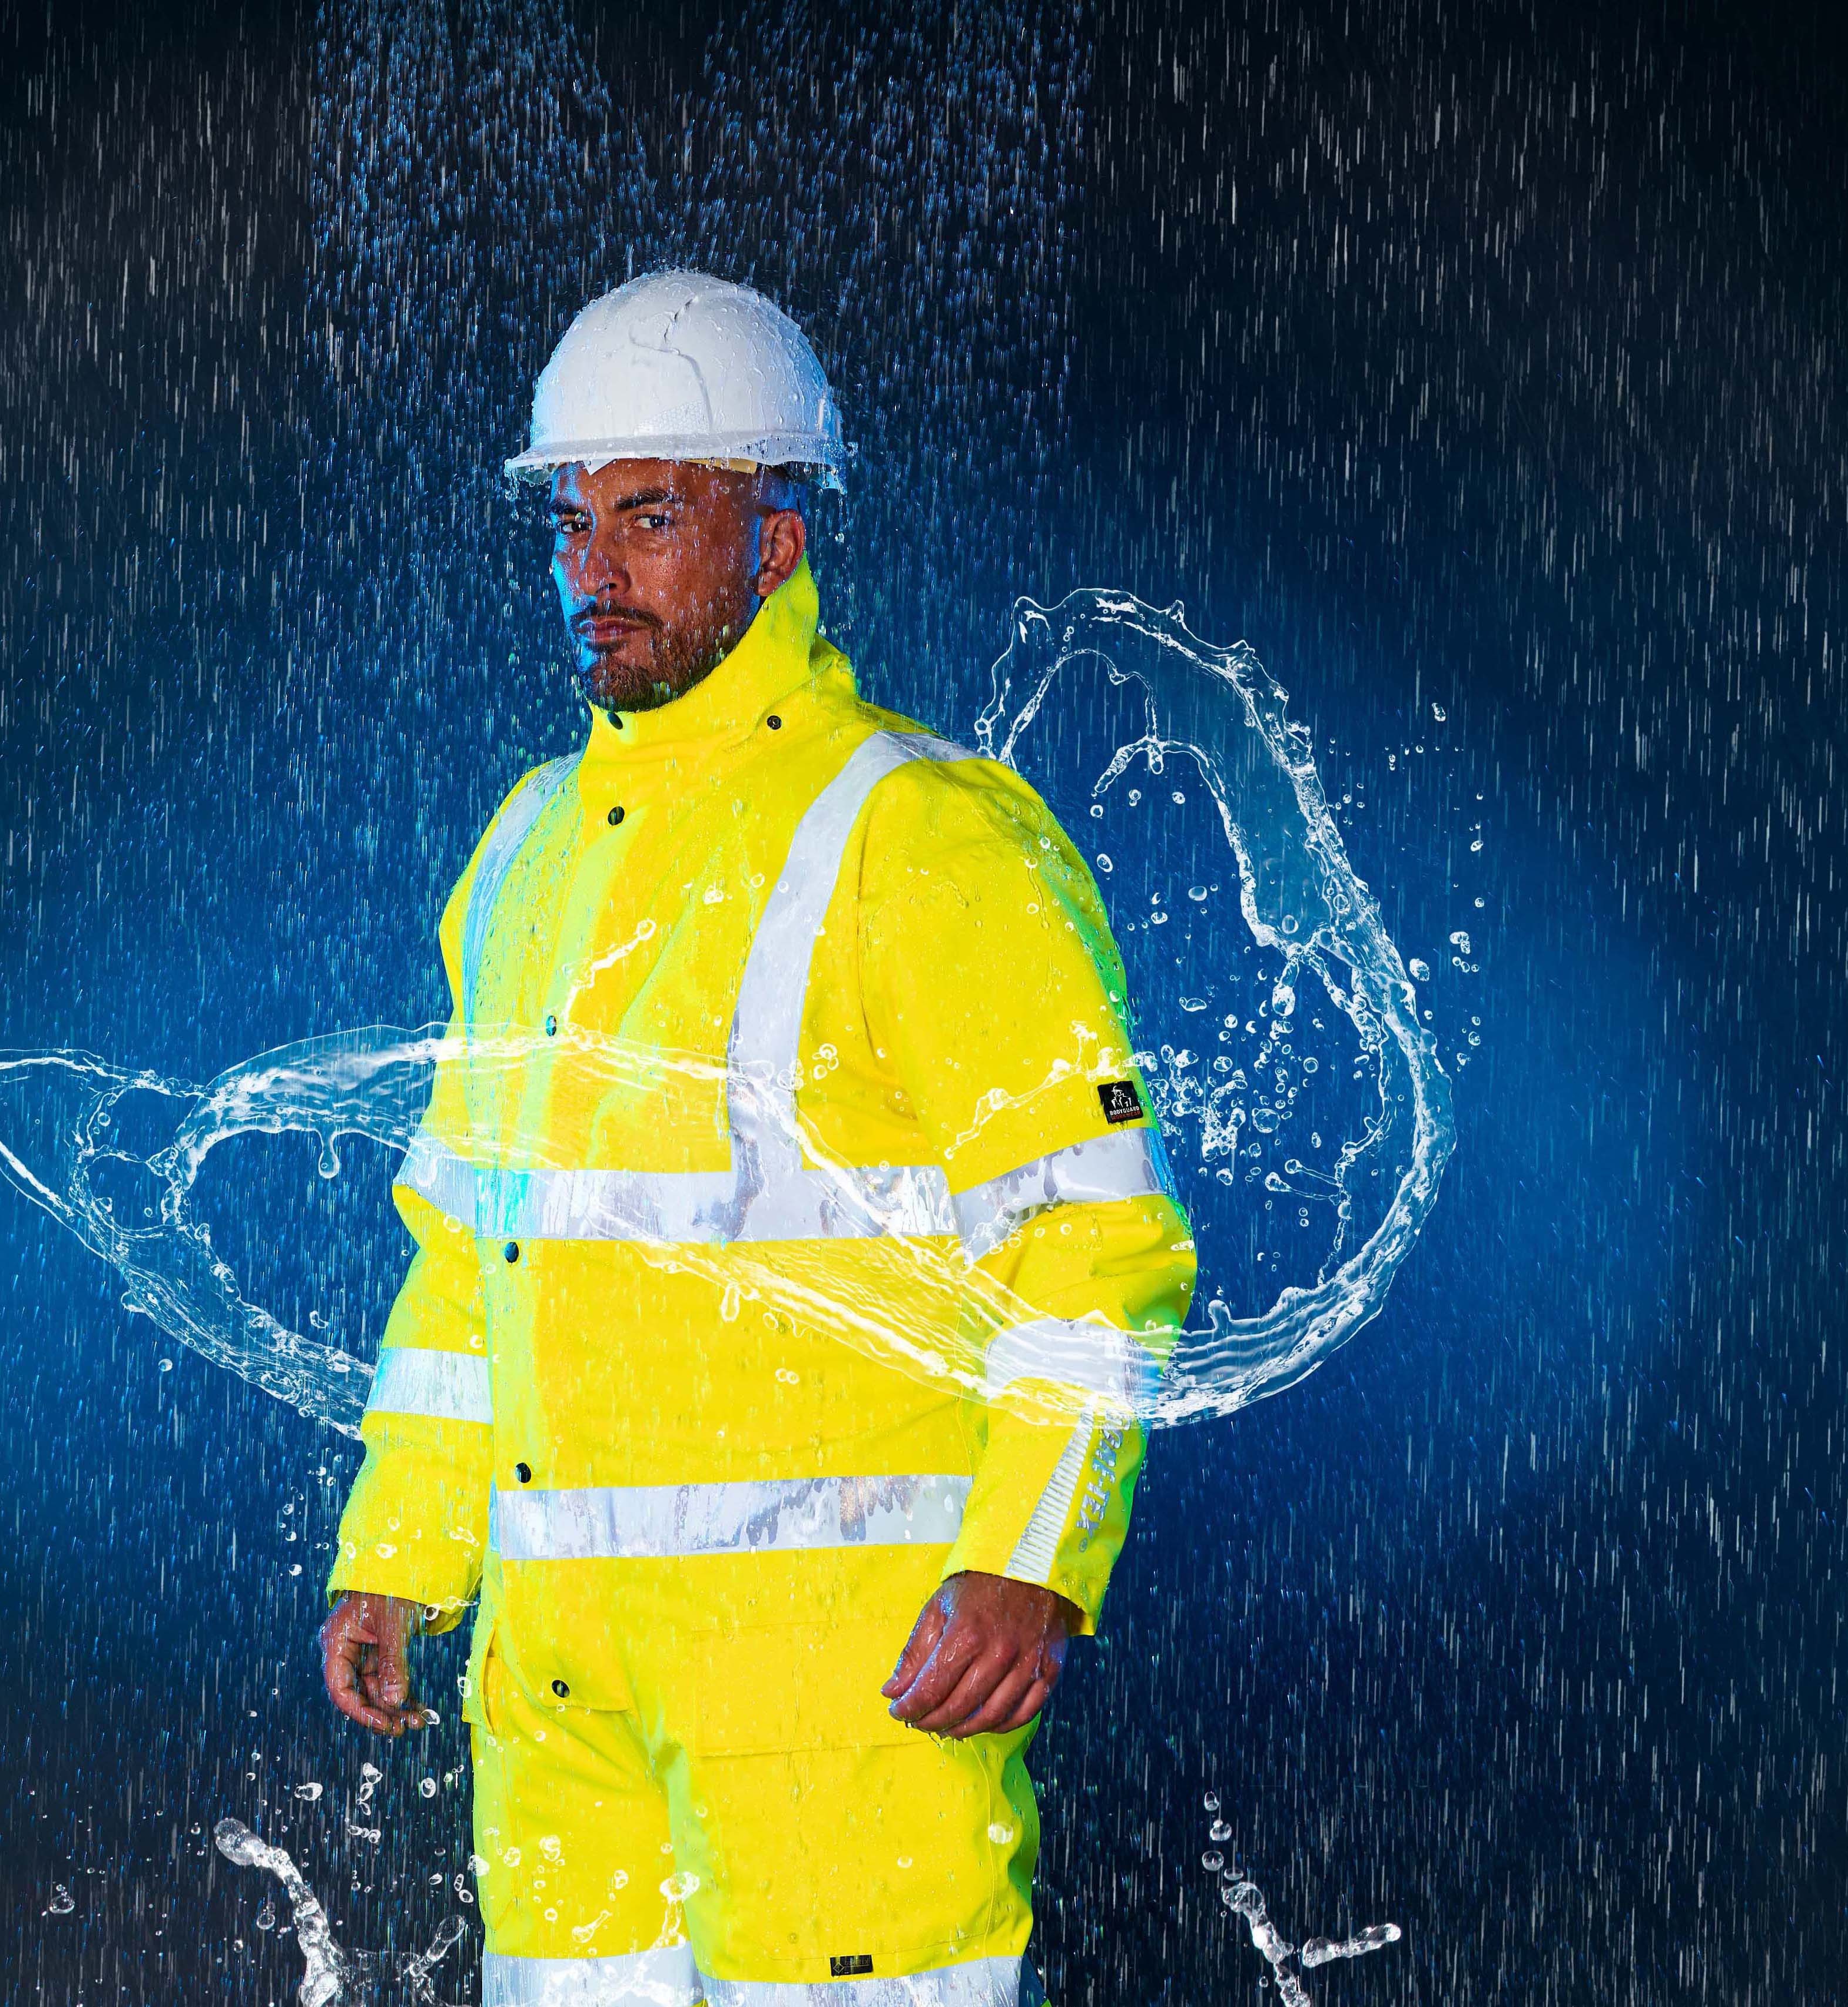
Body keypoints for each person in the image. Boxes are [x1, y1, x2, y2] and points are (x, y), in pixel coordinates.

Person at [314, 268, 1195, 2007]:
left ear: (776, 543)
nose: (594, 569)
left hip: (841, 1693)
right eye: (575, 521)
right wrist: (400, 1550)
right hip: (563, 1698)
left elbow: (1098, 1245)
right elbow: (474, 1241)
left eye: (651, 516)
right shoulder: (529, 851)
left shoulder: (923, 836)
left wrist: (1033, 1559)